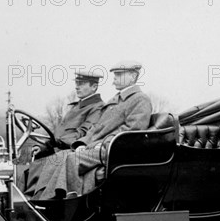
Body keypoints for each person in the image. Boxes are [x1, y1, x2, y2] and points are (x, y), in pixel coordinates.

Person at [31, 60, 153, 200]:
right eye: (115, 75)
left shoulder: (140, 99)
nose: (114, 80)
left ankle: (72, 202)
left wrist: (102, 144)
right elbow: (96, 128)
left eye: (119, 75)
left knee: (72, 159)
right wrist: (82, 143)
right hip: (101, 146)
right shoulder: (117, 99)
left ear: (132, 76)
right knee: (61, 156)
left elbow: (132, 131)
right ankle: (41, 198)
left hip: (116, 150)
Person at [23, 70, 104, 194]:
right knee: (24, 170)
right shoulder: (76, 106)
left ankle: (39, 201)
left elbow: (82, 134)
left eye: (82, 83)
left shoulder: (97, 107)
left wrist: (54, 143)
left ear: (94, 87)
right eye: (77, 82)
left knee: (35, 170)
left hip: (73, 151)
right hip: (60, 150)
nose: (77, 86)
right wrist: (44, 147)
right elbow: (60, 134)